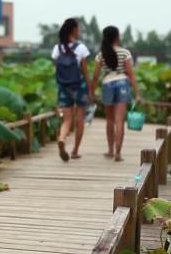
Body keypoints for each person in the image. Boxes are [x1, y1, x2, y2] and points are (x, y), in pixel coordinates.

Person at [90, 26, 141, 162]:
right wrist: (137, 93)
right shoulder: (125, 53)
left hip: (107, 84)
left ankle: (110, 150)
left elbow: (95, 77)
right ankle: (118, 153)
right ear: (117, 37)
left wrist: (92, 93)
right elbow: (131, 74)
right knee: (119, 121)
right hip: (122, 84)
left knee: (110, 120)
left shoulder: (101, 55)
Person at [51, 18, 92, 162]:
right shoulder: (81, 48)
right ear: (74, 29)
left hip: (63, 86)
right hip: (78, 86)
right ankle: (74, 150)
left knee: (67, 120)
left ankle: (62, 138)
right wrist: (90, 90)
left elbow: (57, 69)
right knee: (79, 119)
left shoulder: (57, 48)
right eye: (78, 28)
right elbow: (86, 72)